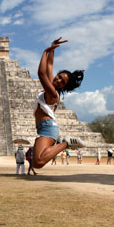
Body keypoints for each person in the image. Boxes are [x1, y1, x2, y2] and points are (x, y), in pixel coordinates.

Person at [32, 38, 85, 169]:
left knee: (38, 163)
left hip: (48, 127)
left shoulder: (53, 93)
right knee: (36, 162)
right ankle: (63, 143)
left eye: (62, 81)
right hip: (43, 127)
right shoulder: (52, 87)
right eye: (59, 76)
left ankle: (66, 143)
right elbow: (49, 66)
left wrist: (45, 52)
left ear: (64, 86)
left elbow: (41, 73)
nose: (58, 79)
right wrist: (52, 48)